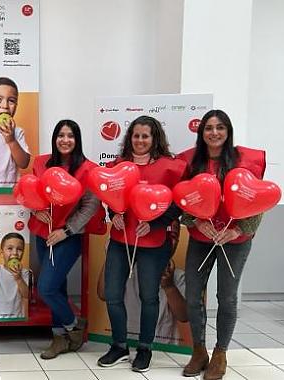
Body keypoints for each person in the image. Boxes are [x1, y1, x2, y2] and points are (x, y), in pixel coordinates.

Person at [178, 110, 266, 380]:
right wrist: (194, 221)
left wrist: (240, 229)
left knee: (226, 297)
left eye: (219, 128)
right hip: (202, 238)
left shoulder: (244, 161)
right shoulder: (191, 162)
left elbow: (258, 199)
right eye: (208, 128)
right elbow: (183, 199)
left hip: (235, 240)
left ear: (228, 131)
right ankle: (199, 350)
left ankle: (220, 353)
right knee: (193, 295)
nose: (214, 133)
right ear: (201, 133)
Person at [97, 115, 186, 373]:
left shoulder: (169, 168)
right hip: (119, 241)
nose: (140, 140)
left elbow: (178, 204)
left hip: (153, 243)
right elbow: (107, 196)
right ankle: (119, 346)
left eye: (145, 135)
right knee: (113, 294)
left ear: (154, 138)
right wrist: (112, 216)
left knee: (148, 296)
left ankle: (145, 349)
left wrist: (157, 224)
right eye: (136, 135)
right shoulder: (118, 165)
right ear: (130, 138)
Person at [29, 120, 101, 359]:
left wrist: (66, 231)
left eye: (71, 135)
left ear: (77, 139)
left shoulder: (88, 169)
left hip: (68, 237)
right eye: (61, 135)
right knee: (56, 287)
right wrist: (34, 209)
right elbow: (31, 192)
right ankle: (59, 338)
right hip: (43, 233)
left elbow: (90, 207)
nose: (65, 140)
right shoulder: (41, 163)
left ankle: (74, 326)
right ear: (55, 138)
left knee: (46, 288)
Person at [97, 222, 188, 346]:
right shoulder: (127, 268)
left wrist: (169, 286)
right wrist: (111, 257)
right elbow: (103, 294)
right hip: (127, 340)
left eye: (172, 236)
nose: (165, 241)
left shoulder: (178, 276)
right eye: (159, 234)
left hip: (164, 345)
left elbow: (184, 316)